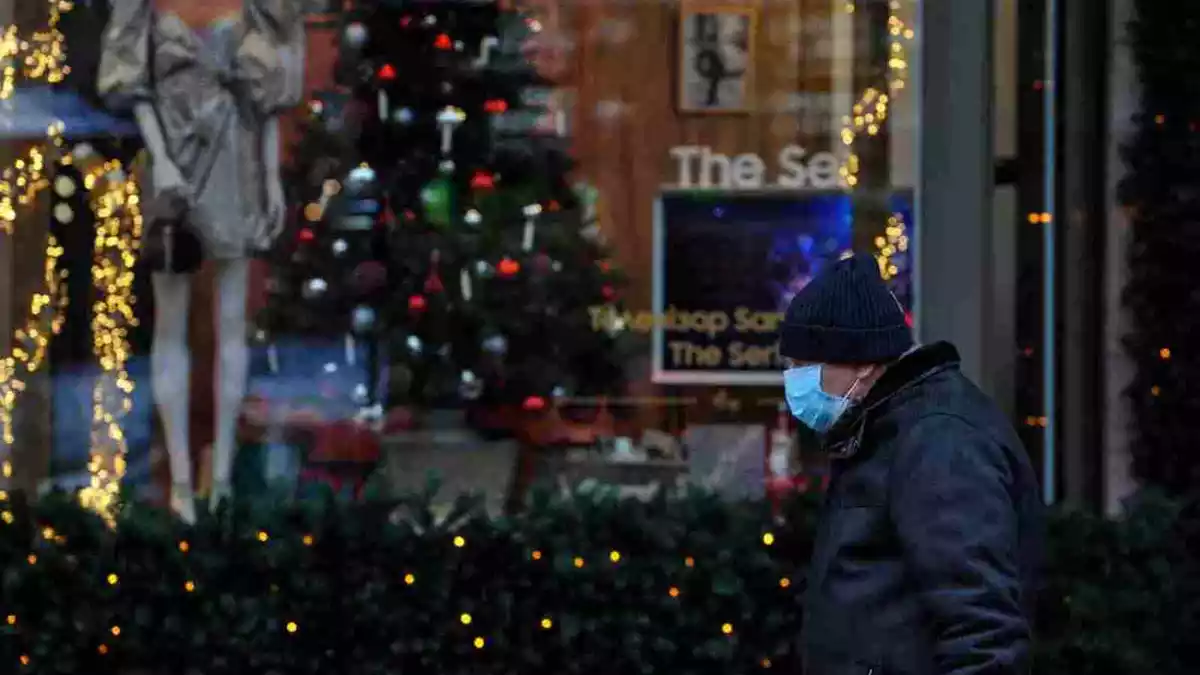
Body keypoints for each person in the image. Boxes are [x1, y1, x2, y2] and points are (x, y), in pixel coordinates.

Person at [777, 253, 1043, 675]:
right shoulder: (887, 426)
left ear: (864, 363)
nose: (792, 380)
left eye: (805, 365)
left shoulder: (939, 440)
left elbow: (984, 631)